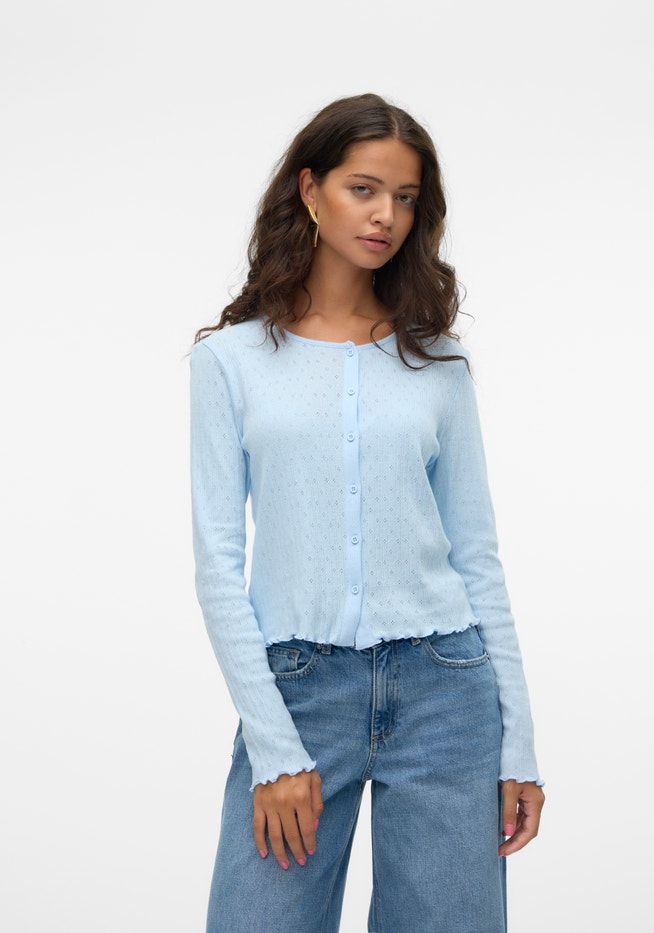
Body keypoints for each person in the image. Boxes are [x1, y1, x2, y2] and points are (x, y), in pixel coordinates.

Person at [189, 92, 544, 933]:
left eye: (405, 197)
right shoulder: (230, 361)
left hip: (445, 689)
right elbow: (216, 566)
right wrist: (274, 746)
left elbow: (477, 554)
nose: (386, 214)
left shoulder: (438, 361)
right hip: (298, 691)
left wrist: (519, 743)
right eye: (364, 189)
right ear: (310, 189)